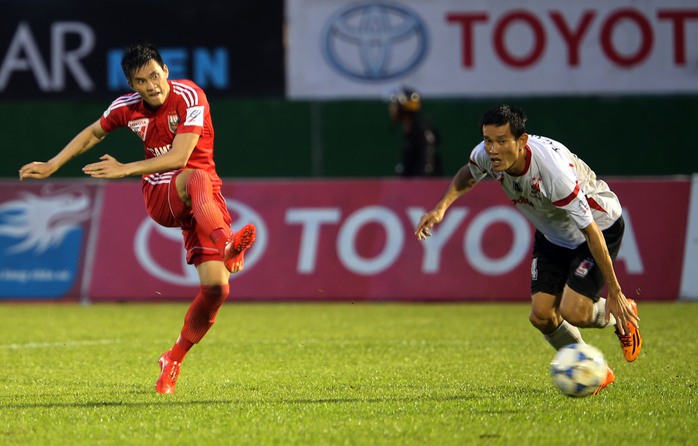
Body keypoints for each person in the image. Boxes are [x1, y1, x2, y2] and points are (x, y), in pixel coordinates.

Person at [18, 43, 256, 395]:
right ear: (132, 85)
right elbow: (92, 133)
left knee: (216, 289)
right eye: (141, 81)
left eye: (155, 76)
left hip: (203, 202)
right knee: (197, 178)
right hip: (165, 195)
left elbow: (181, 155)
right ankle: (227, 243)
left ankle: (173, 357)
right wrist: (53, 164)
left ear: (166, 71)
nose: (151, 85)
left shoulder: (191, 96)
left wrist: (125, 168)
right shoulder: (127, 108)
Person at [415, 105, 642, 395]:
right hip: (553, 233)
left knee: (576, 311)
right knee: (541, 316)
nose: (493, 149)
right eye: (487, 140)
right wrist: (440, 208)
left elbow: (591, 231)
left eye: (501, 141)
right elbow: (468, 174)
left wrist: (616, 292)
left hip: (598, 226)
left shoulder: (553, 172)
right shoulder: (487, 155)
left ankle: (621, 314)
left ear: (521, 142)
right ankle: (594, 372)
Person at [388, 86, 442, 177]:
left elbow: (427, 171)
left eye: (395, 105)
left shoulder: (423, 133)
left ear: (403, 107)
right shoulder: (410, 133)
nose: (391, 109)